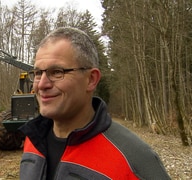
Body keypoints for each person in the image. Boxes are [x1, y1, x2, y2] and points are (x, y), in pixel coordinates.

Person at [19, 27, 170, 180]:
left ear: (91, 80)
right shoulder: (33, 140)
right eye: (38, 73)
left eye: (57, 72)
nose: (42, 84)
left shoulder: (134, 161)